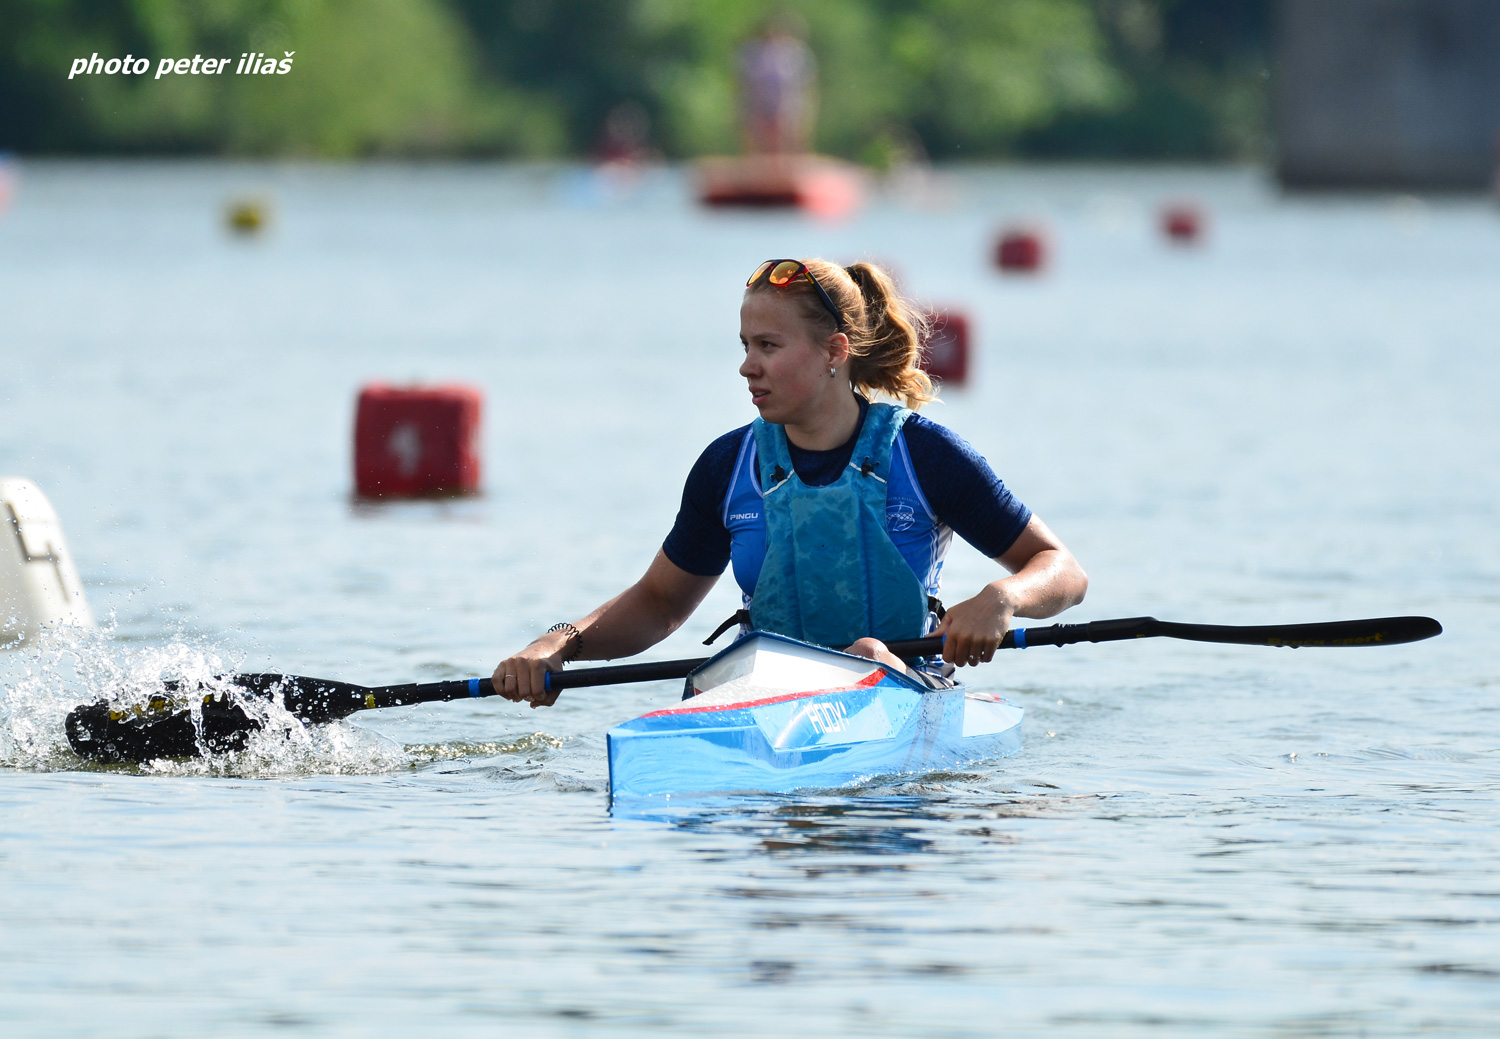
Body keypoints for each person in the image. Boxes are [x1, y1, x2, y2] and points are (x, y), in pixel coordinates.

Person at [494, 258, 1088, 707]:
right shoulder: (728, 466)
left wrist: (1002, 599)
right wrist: (559, 642)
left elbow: (1062, 569)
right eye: (747, 346)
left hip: (906, 690)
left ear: (835, 351)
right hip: (767, 687)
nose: (748, 366)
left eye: (769, 346)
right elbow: (658, 603)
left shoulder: (925, 454)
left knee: (865, 655)